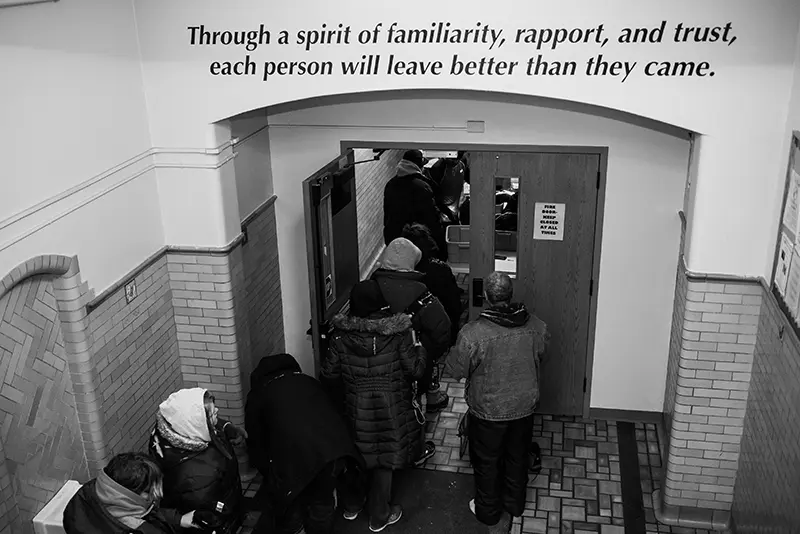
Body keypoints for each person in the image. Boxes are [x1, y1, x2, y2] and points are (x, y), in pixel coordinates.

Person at [323, 253, 435, 532]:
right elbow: (415, 370)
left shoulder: (340, 337)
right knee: (384, 460)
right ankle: (379, 516)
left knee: (359, 456)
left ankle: (351, 506)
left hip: (356, 408)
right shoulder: (397, 334)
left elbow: (329, 374)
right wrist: (420, 349)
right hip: (391, 407)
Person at [444, 272, 549, 534]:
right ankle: (515, 504)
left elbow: (456, 370)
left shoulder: (472, 333)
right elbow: (542, 353)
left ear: (486, 298)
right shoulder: (537, 326)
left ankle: (488, 512)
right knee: (517, 456)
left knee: (487, 462)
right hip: (524, 407)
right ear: (510, 295)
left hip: (487, 412)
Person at [245, 353, 366, 534]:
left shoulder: (259, 395)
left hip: (293, 459)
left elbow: (255, 441)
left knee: (292, 503)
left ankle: (294, 527)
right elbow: (335, 413)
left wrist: (268, 472)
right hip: (329, 452)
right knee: (322, 501)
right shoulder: (309, 382)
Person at [149, 388, 247, 534]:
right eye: (212, 414)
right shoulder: (197, 477)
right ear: (197, 425)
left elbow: (205, 423)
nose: (217, 411)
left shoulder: (172, 429)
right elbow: (208, 516)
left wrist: (225, 427)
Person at [373, 237, 452, 412]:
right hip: (411, 367)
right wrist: (427, 356)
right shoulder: (421, 295)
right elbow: (442, 330)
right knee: (411, 410)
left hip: (376, 369)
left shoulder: (371, 289)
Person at [63, 452, 193, 533]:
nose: (157, 496)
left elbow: (143, 512)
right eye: (148, 492)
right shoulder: (141, 530)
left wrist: (179, 519)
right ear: (130, 496)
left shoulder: (84, 496)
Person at [401, 222, 463, 345]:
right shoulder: (440, 269)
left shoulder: (403, 273)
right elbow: (454, 304)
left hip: (412, 335)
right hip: (441, 332)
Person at [383, 149, 448, 261]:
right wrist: (440, 246)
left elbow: (387, 215)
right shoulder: (422, 187)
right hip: (418, 241)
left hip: (395, 239)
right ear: (417, 166)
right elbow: (431, 218)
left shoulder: (390, 185)